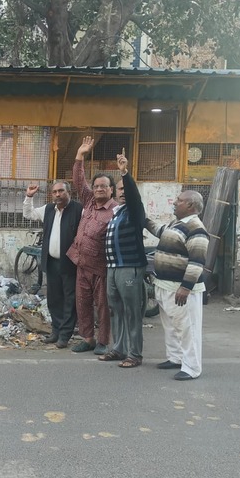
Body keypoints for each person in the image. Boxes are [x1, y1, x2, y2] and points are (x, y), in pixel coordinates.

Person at [145, 190, 211, 380]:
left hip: (180, 289)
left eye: (179, 200)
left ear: (190, 205)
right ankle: (175, 357)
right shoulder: (176, 224)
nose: (175, 202)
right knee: (171, 326)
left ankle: (192, 368)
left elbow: (197, 262)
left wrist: (186, 287)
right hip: (165, 285)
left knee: (188, 328)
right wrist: (144, 219)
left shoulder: (196, 229)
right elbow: (159, 230)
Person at [67, 136, 117, 354]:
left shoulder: (115, 211)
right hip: (81, 264)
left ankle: (103, 341)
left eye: (103, 186)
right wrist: (80, 155)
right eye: (96, 186)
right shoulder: (88, 201)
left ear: (111, 189)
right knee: (82, 302)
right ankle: (88, 338)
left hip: (101, 268)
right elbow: (79, 181)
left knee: (103, 306)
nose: (98, 189)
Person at [101, 151, 148, 368]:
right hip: (113, 268)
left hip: (130, 267)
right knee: (116, 309)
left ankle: (134, 354)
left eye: (125, 189)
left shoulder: (135, 211)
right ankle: (119, 349)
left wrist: (125, 174)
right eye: (119, 189)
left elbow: (134, 196)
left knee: (132, 311)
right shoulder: (117, 213)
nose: (122, 192)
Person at [22, 180, 81, 348]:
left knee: (70, 299)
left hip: (70, 263)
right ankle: (56, 331)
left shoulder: (79, 210)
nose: (57, 194)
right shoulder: (48, 209)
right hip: (52, 262)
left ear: (69, 192)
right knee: (54, 299)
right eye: (54, 192)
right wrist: (29, 197)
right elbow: (28, 214)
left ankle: (65, 335)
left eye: (61, 191)